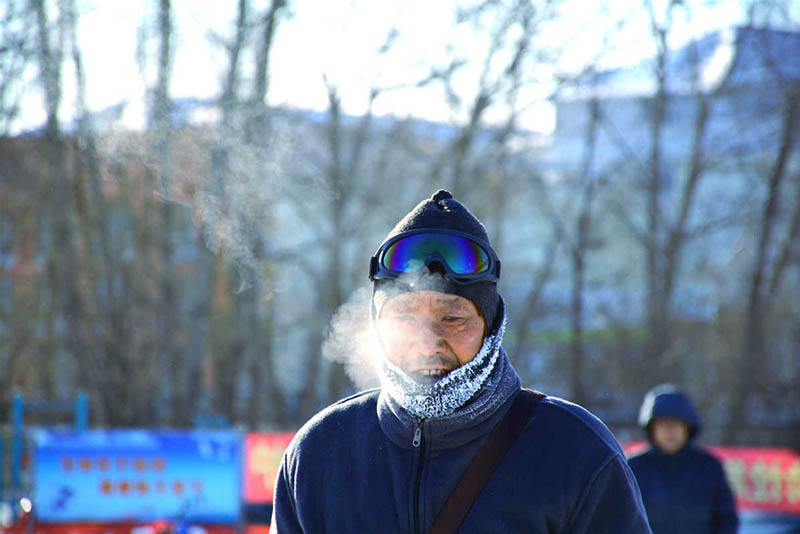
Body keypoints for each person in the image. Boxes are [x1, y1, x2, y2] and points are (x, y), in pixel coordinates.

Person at [271, 190, 651, 533]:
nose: (429, 344)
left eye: (453, 319)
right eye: (404, 317)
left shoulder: (576, 452)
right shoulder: (320, 453)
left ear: (490, 327)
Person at [628, 384, 739, 534]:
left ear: (687, 427)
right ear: (651, 428)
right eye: (663, 424)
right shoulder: (634, 468)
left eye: (675, 424)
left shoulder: (709, 467)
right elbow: (621, 519)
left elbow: (726, 520)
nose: (670, 431)